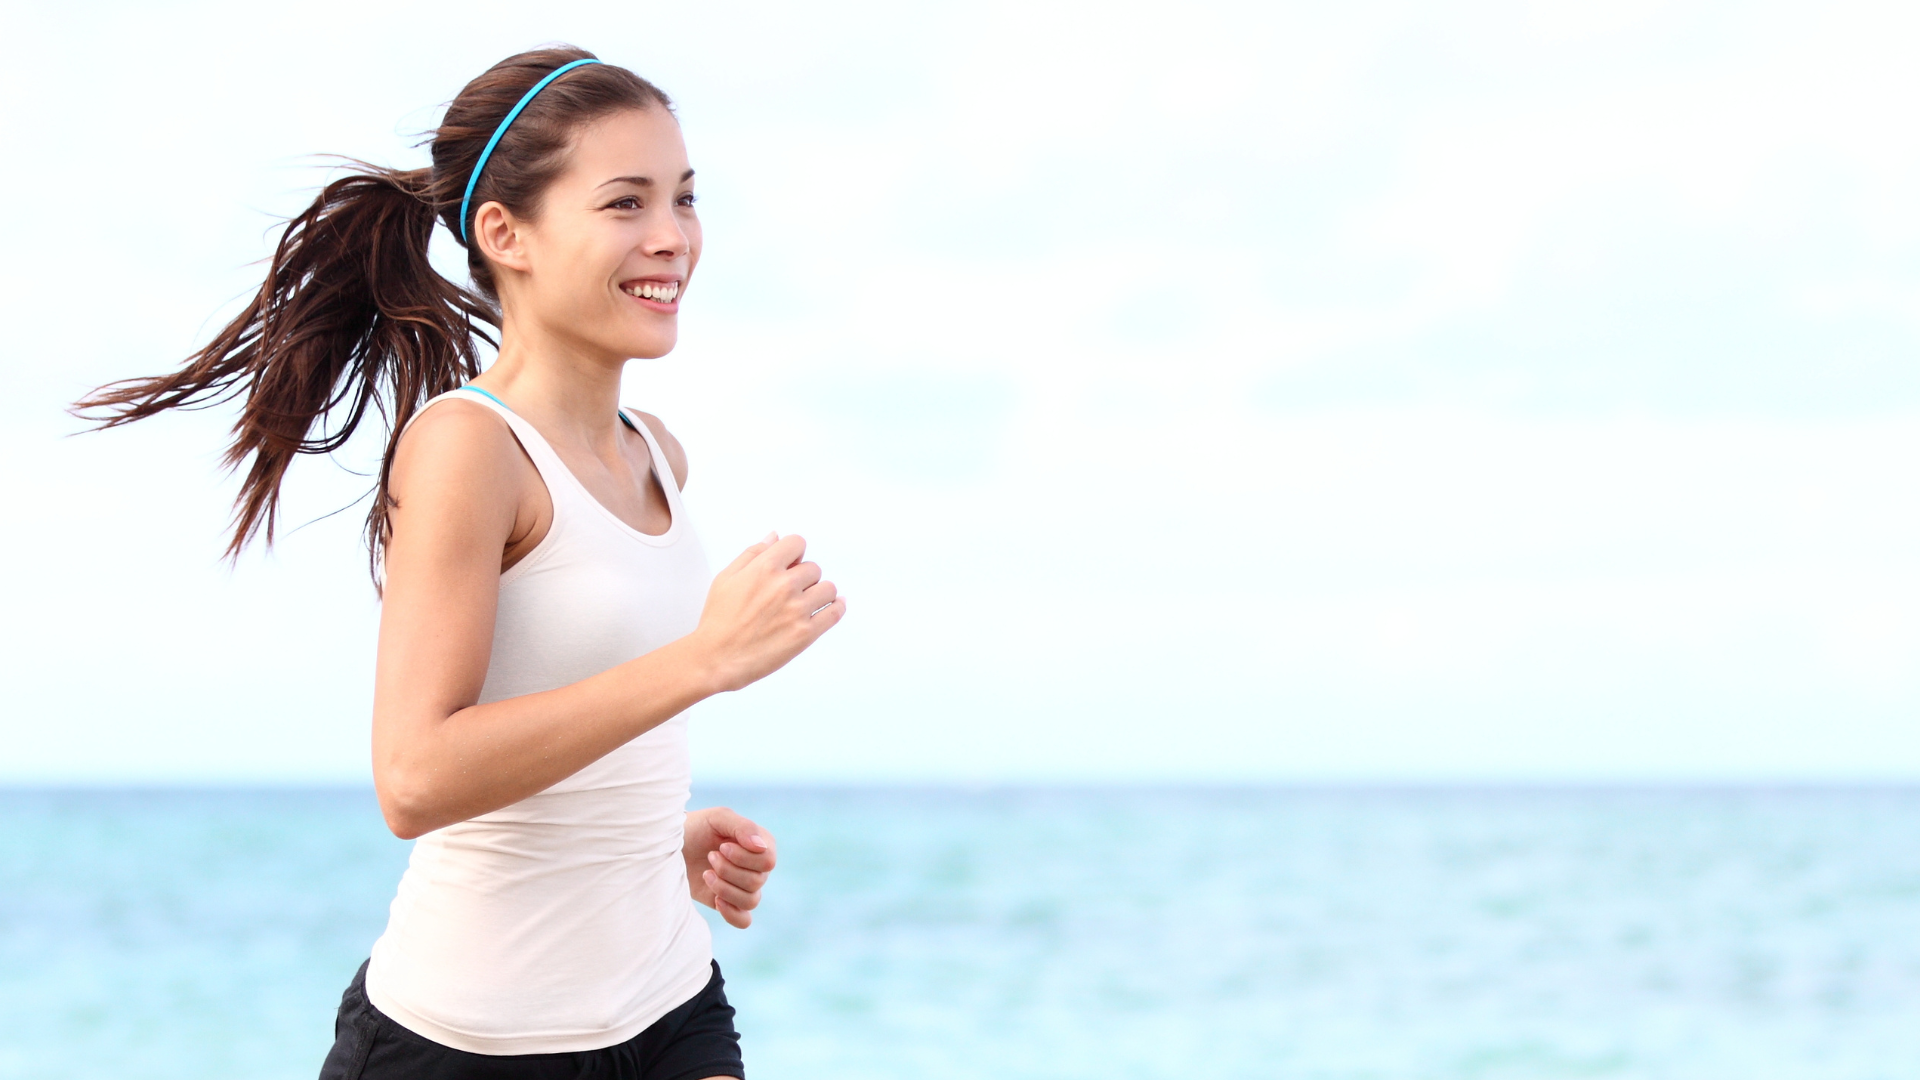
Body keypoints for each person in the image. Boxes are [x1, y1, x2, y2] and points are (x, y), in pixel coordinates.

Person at [74, 46, 845, 1080]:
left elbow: (567, 713)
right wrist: (706, 659)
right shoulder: (467, 448)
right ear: (504, 233)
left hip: (668, 1003)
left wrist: (653, 838)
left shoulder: (655, 449)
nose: (672, 238)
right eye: (625, 203)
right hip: (468, 1042)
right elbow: (416, 776)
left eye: (685, 198)